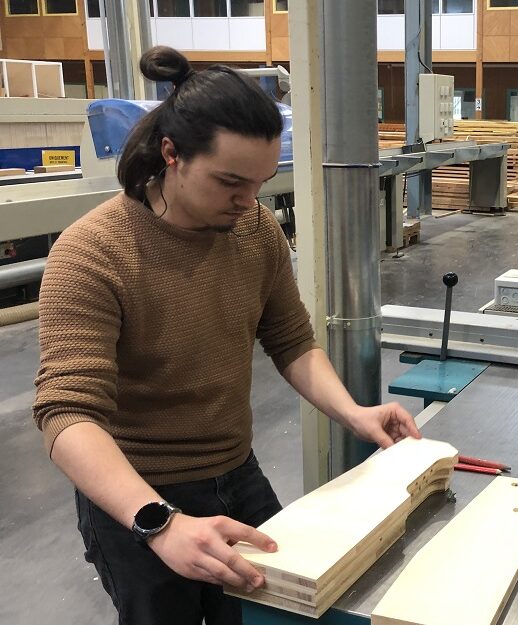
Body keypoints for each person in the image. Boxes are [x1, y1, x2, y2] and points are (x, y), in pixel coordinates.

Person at [32, 46, 420, 625]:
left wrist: (354, 412)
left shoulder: (253, 228)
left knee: (280, 610)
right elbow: (66, 416)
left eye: (261, 183)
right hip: (139, 491)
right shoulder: (93, 253)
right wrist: (159, 523)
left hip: (237, 474)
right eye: (231, 182)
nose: (249, 202)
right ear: (172, 155)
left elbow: (291, 340)